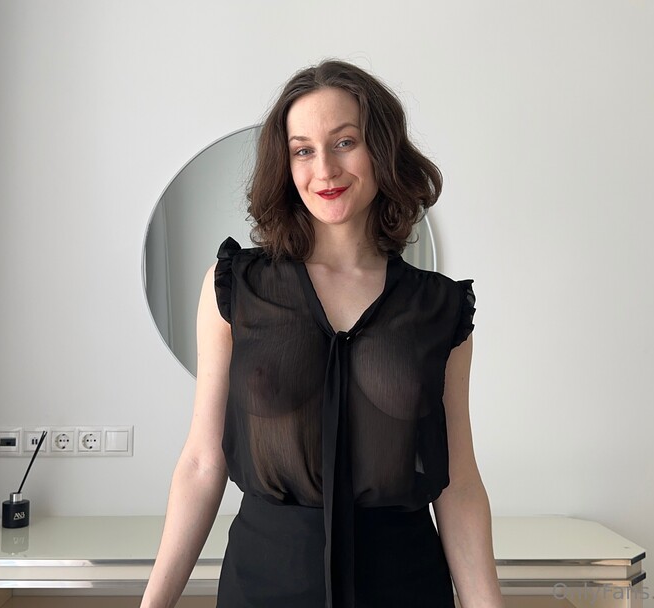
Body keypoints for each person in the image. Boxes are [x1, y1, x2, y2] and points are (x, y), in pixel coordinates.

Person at [140, 59, 504, 608]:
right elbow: (201, 463)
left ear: (382, 150)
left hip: (404, 587)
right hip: (264, 586)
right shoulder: (236, 288)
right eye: (303, 150)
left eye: (345, 142)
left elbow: (459, 483)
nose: (325, 169)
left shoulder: (439, 308)